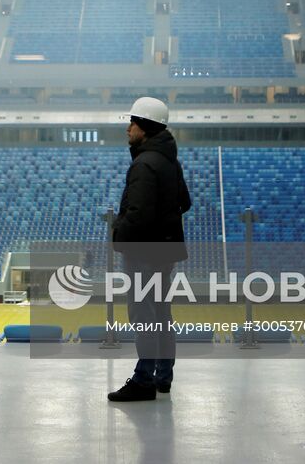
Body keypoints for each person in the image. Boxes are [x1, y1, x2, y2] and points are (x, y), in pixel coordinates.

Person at [108, 96, 191, 402]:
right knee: (161, 313)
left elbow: (138, 214)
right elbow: (185, 202)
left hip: (143, 253)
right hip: (166, 252)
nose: (128, 128)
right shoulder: (170, 160)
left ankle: (143, 380)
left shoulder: (144, 163)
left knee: (143, 314)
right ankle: (163, 376)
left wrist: (119, 235)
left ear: (144, 127)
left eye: (133, 122)